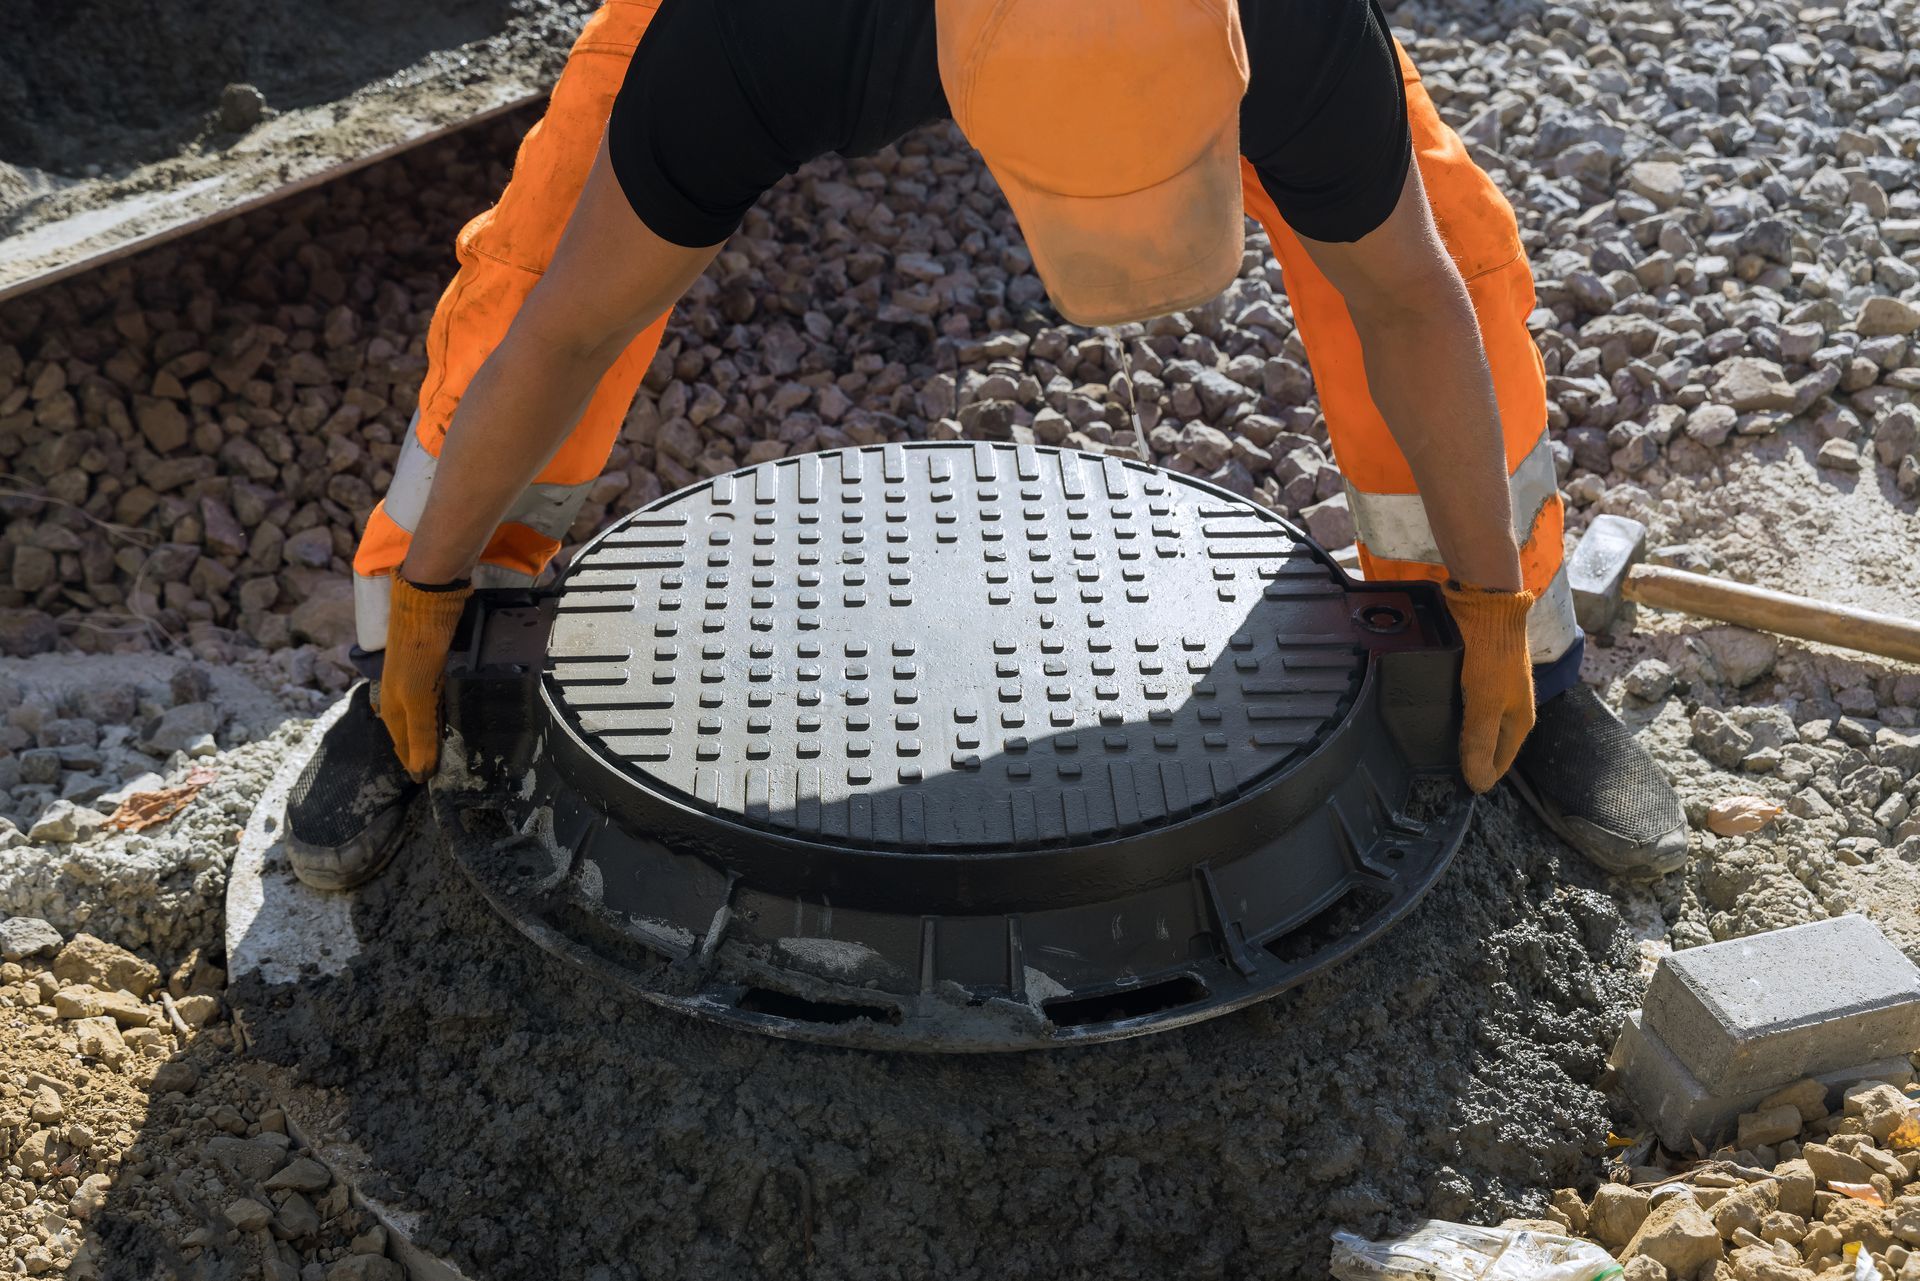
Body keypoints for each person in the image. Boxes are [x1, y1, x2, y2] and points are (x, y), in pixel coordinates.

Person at [284, 0, 1688, 891]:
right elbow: (569, 329)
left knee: (1453, 238)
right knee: (541, 260)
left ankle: (1529, 667)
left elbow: (1409, 289)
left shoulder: (1289, 27)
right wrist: (427, 595)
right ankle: (425, 642)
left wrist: (1497, 608)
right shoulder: (771, 33)